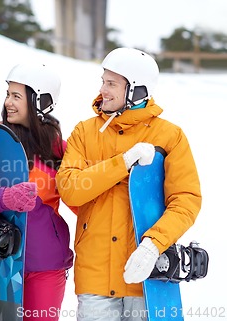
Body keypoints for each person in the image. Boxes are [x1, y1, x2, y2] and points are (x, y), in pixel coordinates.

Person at [56, 47, 202, 321]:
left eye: (111, 83)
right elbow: (70, 189)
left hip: (147, 272)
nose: (103, 90)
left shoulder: (169, 136)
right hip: (95, 276)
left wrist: (152, 246)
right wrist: (122, 163)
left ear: (136, 91)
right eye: (103, 81)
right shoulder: (85, 132)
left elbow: (186, 200)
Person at [0, 63, 74, 321]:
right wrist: (5, 197)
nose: (8, 103)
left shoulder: (60, 150)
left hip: (46, 262)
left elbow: (80, 200)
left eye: (16, 96)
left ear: (40, 102)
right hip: (0, 258)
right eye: (8, 94)